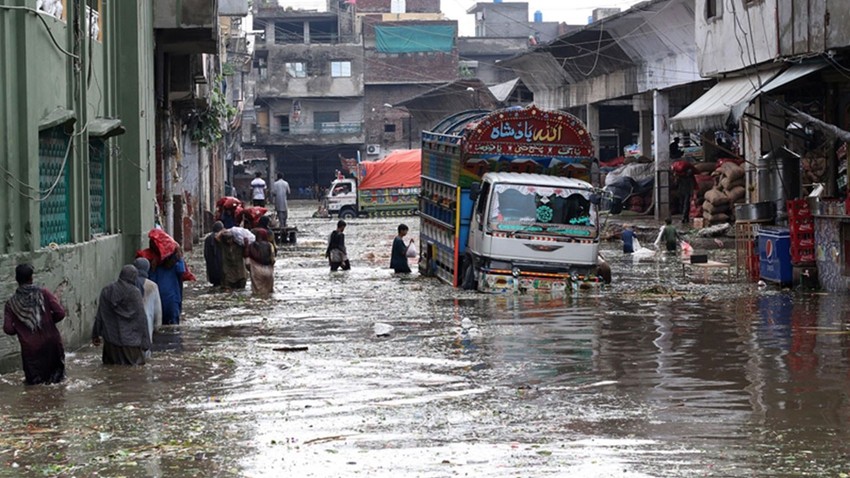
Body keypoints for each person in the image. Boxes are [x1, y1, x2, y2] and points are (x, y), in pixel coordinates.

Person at [3, 264, 67, 385]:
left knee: (35, 386)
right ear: (31, 278)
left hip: (31, 350)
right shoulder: (44, 293)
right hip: (52, 344)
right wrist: (47, 321)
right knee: (58, 384)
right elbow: (61, 313)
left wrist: (22, 328)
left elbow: (8, 329)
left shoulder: (11, 304)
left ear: (17, 280)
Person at [91, 265, 151, 366]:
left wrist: (95, 334)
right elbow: (141, 319)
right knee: (133, 375)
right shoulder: (134, 293)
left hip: (111, 344)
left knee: (111, 373)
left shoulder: (106, 290)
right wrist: (146, 342)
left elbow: (100, 315)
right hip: (131, 345)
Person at [133, 258, 162, 343]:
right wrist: (157, 325)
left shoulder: (128, 283)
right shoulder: (152, 286)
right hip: (147, 327)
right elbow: (157, 310)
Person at [247, 228, 276, 296]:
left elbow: (247, 261)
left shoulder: (252, 245)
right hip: (268, 271)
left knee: (257, 293)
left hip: (256, 271)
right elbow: (273, 260)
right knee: (269, 292)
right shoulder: (270, 245)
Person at [673, 159, 696, 224]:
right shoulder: (680, 177)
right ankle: (685, 217)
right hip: (682, 192)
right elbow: (676, 184)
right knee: (683, 204)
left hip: (686, 193)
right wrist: (676, 177)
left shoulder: (689, 178)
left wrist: (692, 194)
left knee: (686, 205)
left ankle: (684, 217)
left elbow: (692, 186)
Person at [204, 221, 225, 287]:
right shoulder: (221, 237)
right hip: (219, 263)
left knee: (215, 283)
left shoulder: (208, 238)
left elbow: (206, 253)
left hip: (211, 264)